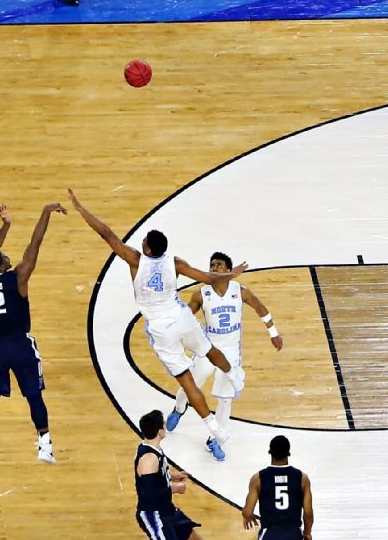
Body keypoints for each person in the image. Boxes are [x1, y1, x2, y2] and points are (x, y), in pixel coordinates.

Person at [68, 188, 246, 456]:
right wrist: (233, 273)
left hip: (161, 328)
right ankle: (234, 375)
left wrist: (81, 209)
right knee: (209, 350)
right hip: (182, 316)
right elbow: (209, 278)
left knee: (187, 382)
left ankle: (216, 430)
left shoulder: (135, 261)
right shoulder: (175, 262)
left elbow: (106, 234)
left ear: (147, 247)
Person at [0, 202, 67, 470]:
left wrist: (6, 225)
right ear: (2, 267)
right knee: (34, 396)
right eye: (4, 257)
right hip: (20, 344)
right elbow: (35, 244)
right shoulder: (19, 278)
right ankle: (45, 446)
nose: (7, 256)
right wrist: (45, 212)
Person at [166, 251, 283, 462]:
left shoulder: (241, 291)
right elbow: (187, 314)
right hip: (207, 349)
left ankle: (215, 441)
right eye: (212, 265)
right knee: (190, 386)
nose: (215, 267)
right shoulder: (201, 293)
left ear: (229, 270)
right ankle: (179, 408)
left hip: (230, 353)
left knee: (225, 400)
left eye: (219, 265)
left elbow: (260, 308)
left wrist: (273, 333)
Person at [135, 410, 203, 540]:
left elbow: (156, 476)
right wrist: (175, 488)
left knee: (194, 537)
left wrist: (173, 476)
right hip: (154, 514)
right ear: (160, 432)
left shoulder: (152, 448)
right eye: (164, 425)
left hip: (167, 509)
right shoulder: (149, 459)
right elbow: (148, 493)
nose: (166, 427)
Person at [243, 435, 314, 540]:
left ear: (270, 452)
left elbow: (248, 511)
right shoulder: (302, 478)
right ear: (288, 453)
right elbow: (308, 513)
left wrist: (247, 517)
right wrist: (307, 533)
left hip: (269, 534)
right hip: (293, 534)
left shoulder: (257, 479)